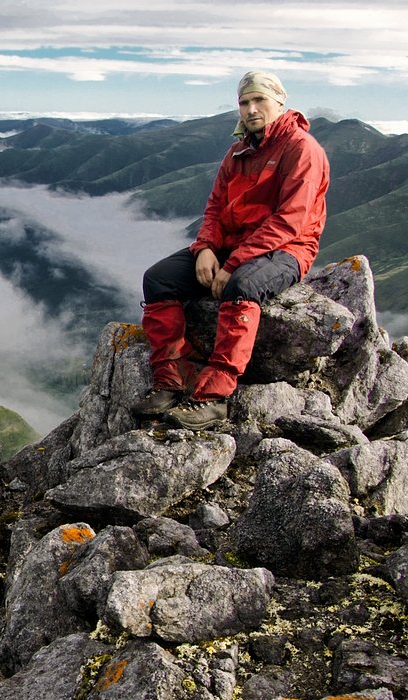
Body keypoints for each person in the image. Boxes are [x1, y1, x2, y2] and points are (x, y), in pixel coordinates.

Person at [132, 70, 330, 430]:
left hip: (288, 250)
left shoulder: (302, 150)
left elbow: (291, 220)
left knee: (241, 286)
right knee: (159, 279)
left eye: (259, 100)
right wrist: (206, 247)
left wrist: (233, 264)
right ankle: (171, 379)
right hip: (233, 244)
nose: (251, 109)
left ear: (279, 102)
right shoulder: (238, 152)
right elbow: (214, 207)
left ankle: (214, 397)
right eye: (244, 102)